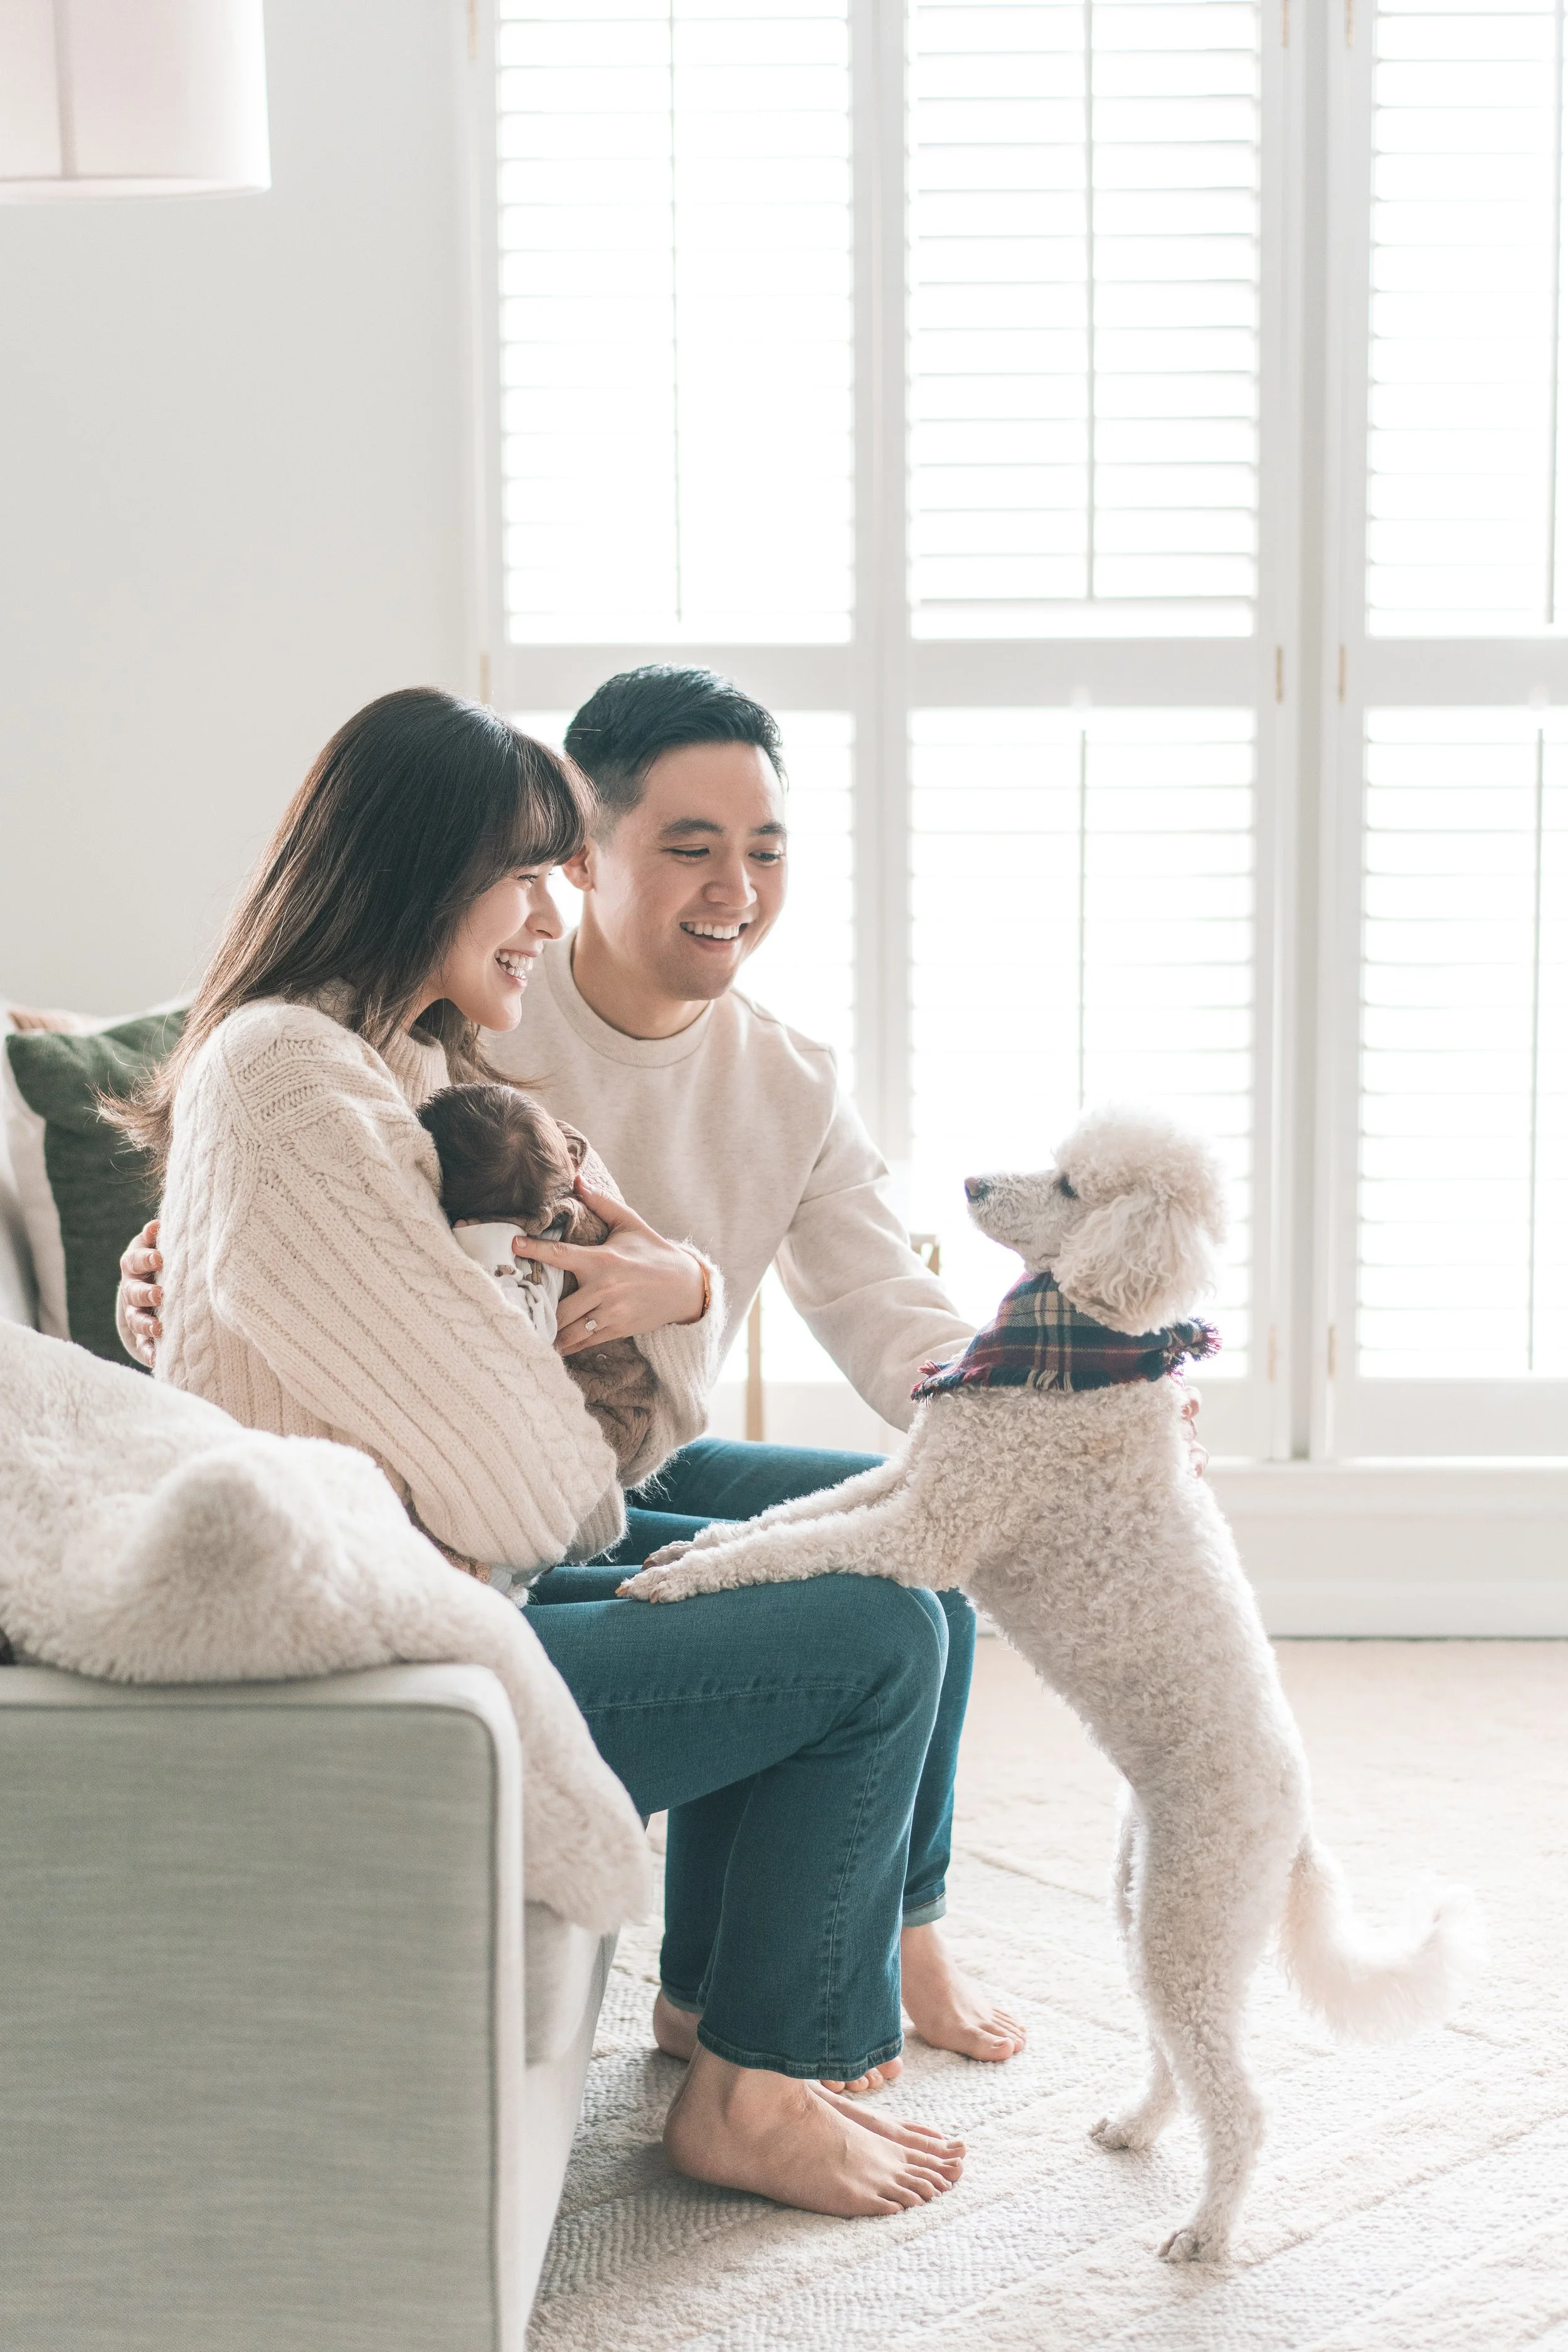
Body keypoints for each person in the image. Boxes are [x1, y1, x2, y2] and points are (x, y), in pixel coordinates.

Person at [112, 686, 965, 2217]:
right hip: (373, 1642)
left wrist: (684, 1304)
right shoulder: (307, 1076)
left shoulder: (412, 1069)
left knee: (868, 1550)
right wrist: (553, 1412)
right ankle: (759, 2083)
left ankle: (743, 2009)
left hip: (433, 1575)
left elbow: (839, 1309)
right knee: (872, 1630)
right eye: (532, 873)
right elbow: (537, 1485)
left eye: (764, 848)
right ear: (425, 873)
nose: (543, 904)